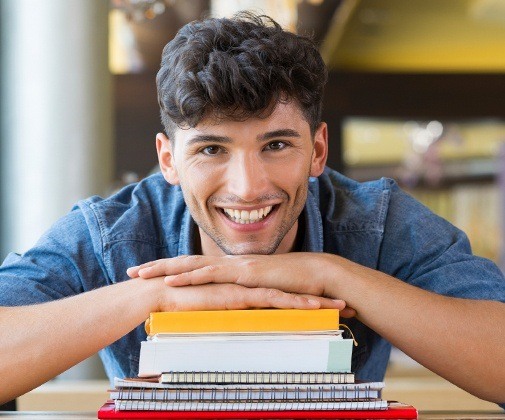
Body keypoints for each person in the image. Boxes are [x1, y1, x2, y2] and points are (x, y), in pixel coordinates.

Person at [1, 12, 504, 407]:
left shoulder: (377, 220)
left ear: (319, 151)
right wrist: (153, 296)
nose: (247, 188)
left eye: (278, 145)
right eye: (211, 149)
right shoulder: (112, 230)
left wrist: (331, 273)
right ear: (168, 159)